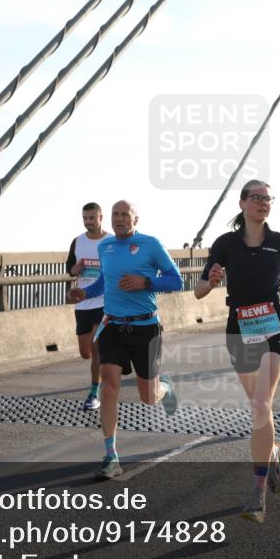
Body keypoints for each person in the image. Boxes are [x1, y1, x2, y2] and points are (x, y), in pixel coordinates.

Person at [196, 180, 280, 523]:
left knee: (261, 403)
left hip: (274, 330)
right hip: (239, 331)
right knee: (259, 410)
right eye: (257, 198)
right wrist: (211, 281)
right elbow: (198, 291)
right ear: (242, 203)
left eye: (268, 199)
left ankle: (257, 493)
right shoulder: (225, 244)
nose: (263, 203)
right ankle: (276, 451)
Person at [68, 200, 182, 481]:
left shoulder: (151, 244)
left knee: (148, 397)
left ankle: (163, 388)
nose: (119, 219)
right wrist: (85, 293)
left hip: (145, 327)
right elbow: (104, 282)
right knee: (109, 385)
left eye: (125, 215)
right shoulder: (104, 247)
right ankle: (111, 456)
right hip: (113, 325)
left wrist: (147, 282)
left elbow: (176, 280)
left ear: (135, 219)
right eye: (116, 214)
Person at [65, 203, 109, 411]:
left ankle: (94, 392)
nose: (89, 222)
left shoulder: (111, 241)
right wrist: (76, 268)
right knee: (85, 351)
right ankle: (102, 363)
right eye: (85, 218)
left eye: (92, 218)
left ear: (101, 217)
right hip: (83, 303)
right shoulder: (78, 242)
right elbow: (70, 270)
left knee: (96, 345)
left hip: (104, 302)